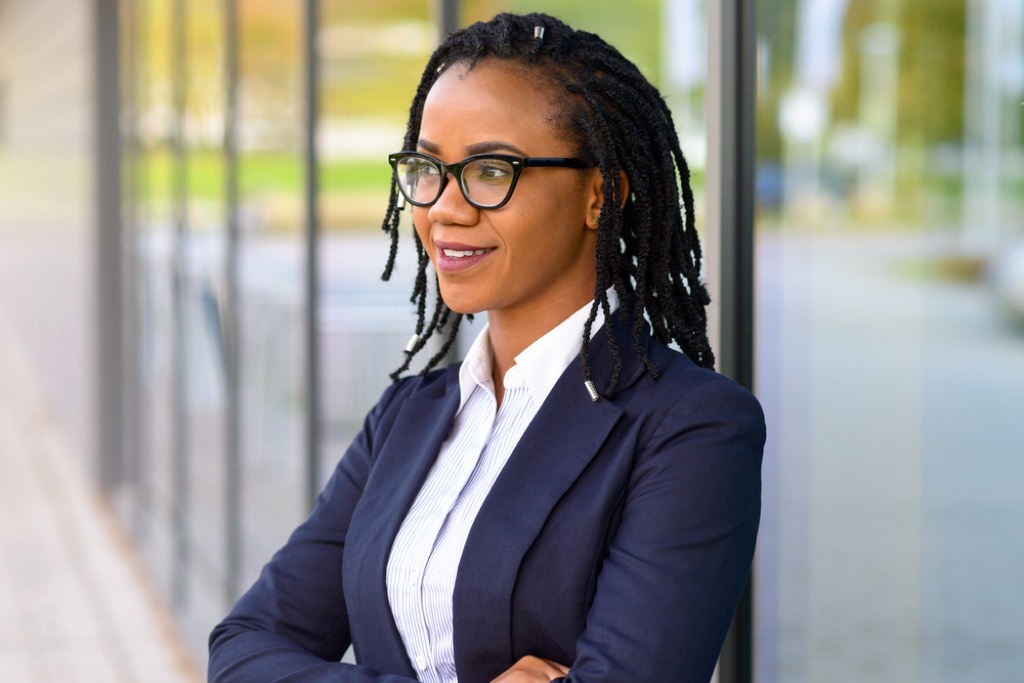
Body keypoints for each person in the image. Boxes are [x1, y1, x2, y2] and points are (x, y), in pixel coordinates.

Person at [209, 12, 765, 683]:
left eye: (490, 170)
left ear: (601, 193)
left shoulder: (690, 428)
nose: (444, 206)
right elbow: (243, 647)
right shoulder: (406, 416)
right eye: (426, 167)